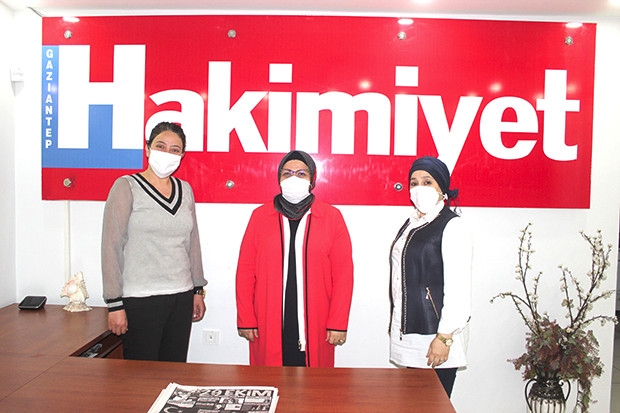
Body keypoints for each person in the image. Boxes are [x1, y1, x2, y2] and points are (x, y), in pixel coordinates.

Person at [236, 150, 354, 367]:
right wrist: (246, 318)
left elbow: (343, 275)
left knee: (313, 383)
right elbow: (245, 271)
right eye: (287, 173)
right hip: (268, 318)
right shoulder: (260, 217)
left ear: (312, 179)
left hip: (317, 320)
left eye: (301, 173)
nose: (293, 178)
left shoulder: (331, 217)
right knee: (270, 381)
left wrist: (338, 323)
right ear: (279, 178)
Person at [101, 121, 207, 362]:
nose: (167, 153)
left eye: (174, 149)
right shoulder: (126, 187)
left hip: (181, 297)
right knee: (142, 375)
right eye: (160, 146)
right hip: (140, 300)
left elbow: (193, 244)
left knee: (174, 372)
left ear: (182, 155)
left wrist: (197, 289)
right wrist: (114, 304)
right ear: (147, 149)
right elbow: (111, 247)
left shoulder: (185, 190)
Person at [388, 156, 472, 397]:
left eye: (427, 182)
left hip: (436, 336)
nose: (419, 188)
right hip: (413, 336)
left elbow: (458, 287)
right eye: (413, 183)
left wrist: (444, 337)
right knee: (414, 405)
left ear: (441, 187)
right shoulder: (412, 223)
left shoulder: (452, 226)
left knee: (433, 405)